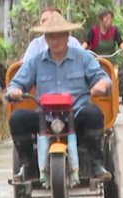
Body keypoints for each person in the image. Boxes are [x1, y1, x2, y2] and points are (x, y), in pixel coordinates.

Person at [7, 12, 112, 183]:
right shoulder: (35, 62)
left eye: (59, 36)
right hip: (44, 119)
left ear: (67, 36)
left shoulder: (83, 58)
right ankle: (28, 165)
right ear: (45, 38)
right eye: (50, 36)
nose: (55, 41)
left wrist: (101, 85)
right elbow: (15, 84)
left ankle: (96, 164)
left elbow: (104, 78)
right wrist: (14, 91)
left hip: (76, 116)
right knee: (16, 119)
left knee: (94, 114)